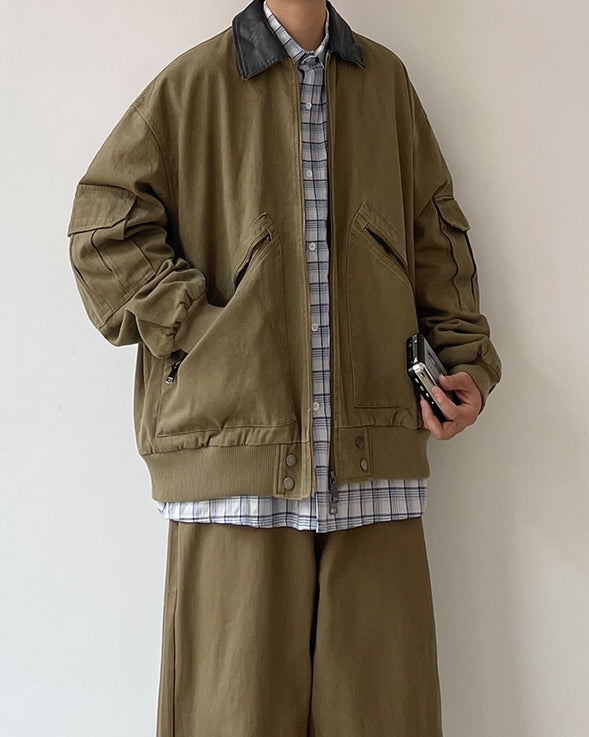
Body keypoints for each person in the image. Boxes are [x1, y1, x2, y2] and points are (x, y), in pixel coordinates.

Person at [66, 0, 502, 734]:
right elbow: (101, 226)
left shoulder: (386, 84)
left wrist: (462, 364)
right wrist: (200, 331)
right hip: (235, 468)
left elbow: (435, 235)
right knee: (229, 720)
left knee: (386, 720)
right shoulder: (193, 86)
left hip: (373, 472)